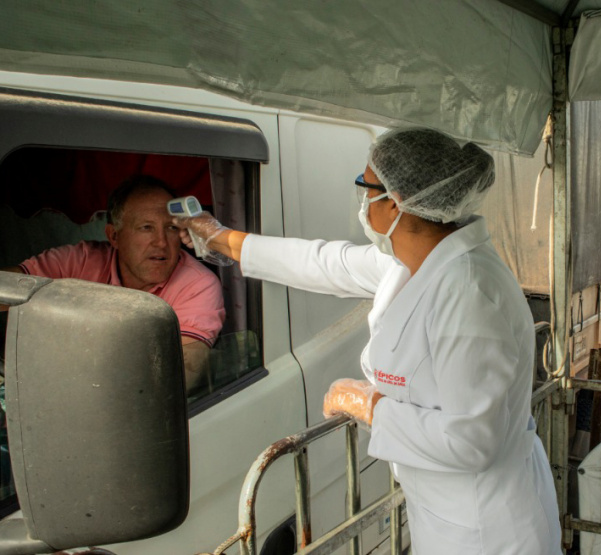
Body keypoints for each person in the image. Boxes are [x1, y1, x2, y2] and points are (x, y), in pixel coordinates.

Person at [174, 128, 562, 554]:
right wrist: (218, 237)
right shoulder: (415, 263)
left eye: (365, 187)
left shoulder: (469, 293)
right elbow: (324, 263)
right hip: (448, 515)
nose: (362, 201)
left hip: (488, 530)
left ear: (395, 201)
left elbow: (471, 441)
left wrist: (370, 405)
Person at [1, 175, 225, 389]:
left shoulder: (198, 285)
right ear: (114, 236)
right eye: (146, 227)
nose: (161, 242)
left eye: (172, 228)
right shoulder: (78, 262)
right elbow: (8, 286)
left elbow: (177, 378)